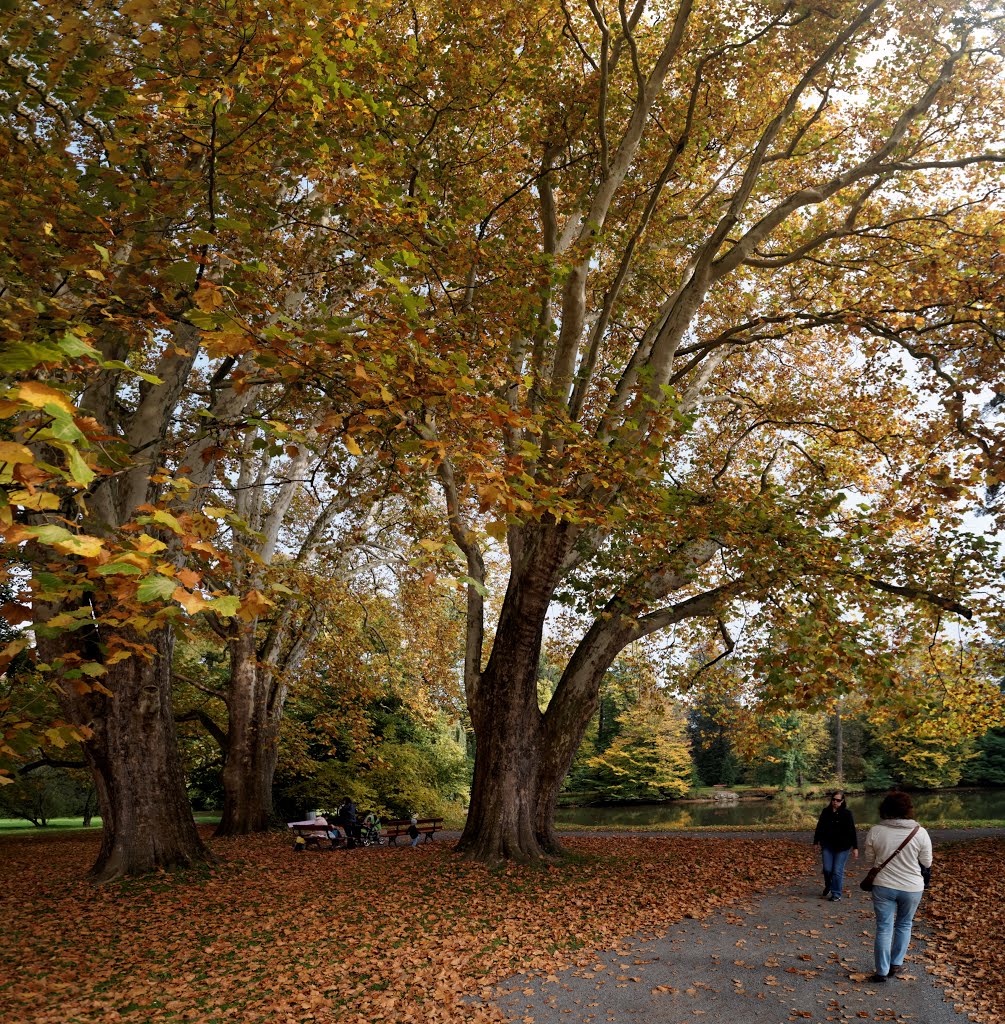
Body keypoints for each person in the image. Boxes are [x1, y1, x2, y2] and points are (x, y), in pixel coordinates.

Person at [862, 790, 933, 983]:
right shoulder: (920, 832)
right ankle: (896, 963)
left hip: (883, 885)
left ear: (884, 809)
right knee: (904, 924)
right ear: (909, 810)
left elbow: (870, 860)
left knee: (884, 927)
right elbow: (926, 862)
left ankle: (881, 971)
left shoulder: (876, 831)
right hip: (912, 887)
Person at [812, 790, 859, 901]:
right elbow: (819, 828)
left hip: (843, 847)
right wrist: (815, 842)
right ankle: (829, 885)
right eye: (833, 799)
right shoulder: (825, 812)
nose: (835, 802)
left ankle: (836, 894)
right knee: (827, 869)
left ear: (842, 801)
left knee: (837, 870)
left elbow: (852, 831)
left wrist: (855, 847)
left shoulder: (847, 814)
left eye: (838, 800)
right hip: (827, 845)